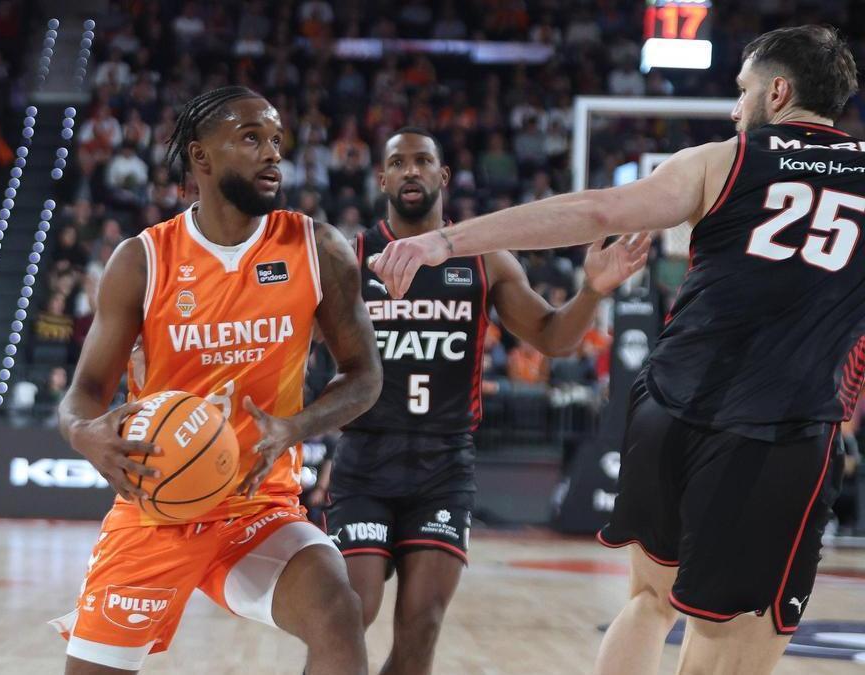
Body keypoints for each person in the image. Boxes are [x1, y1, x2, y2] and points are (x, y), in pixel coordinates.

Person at [371, 25, 858, 675]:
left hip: (666, 409)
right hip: (776, 428)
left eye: (742, 93)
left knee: (649, 600)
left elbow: (600, 211)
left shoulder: (722, 160)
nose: (735, 109)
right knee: (731, 638)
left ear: (779, 90)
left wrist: (444, 241)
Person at [54, 86, 382, 675]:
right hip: (158, 502)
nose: (272, 154)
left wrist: (294, 427)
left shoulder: (317, 248)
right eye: (251, 138)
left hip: (259, 505)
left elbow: (365, 376)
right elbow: (84, 391)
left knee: (338, 612)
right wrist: (84, 434)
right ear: (201, 157)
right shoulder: (142, 261)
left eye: (276, 140)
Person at [328, 128, 648, 675]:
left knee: (422, 626)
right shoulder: (353, 258)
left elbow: (553, 338)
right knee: (350, 613)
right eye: (398, 163)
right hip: (366, 459)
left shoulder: (486, 260)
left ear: (442, 176)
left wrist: (592, 291)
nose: (410, 171)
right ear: (380, 178)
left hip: (444, 466)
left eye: (423, 161)